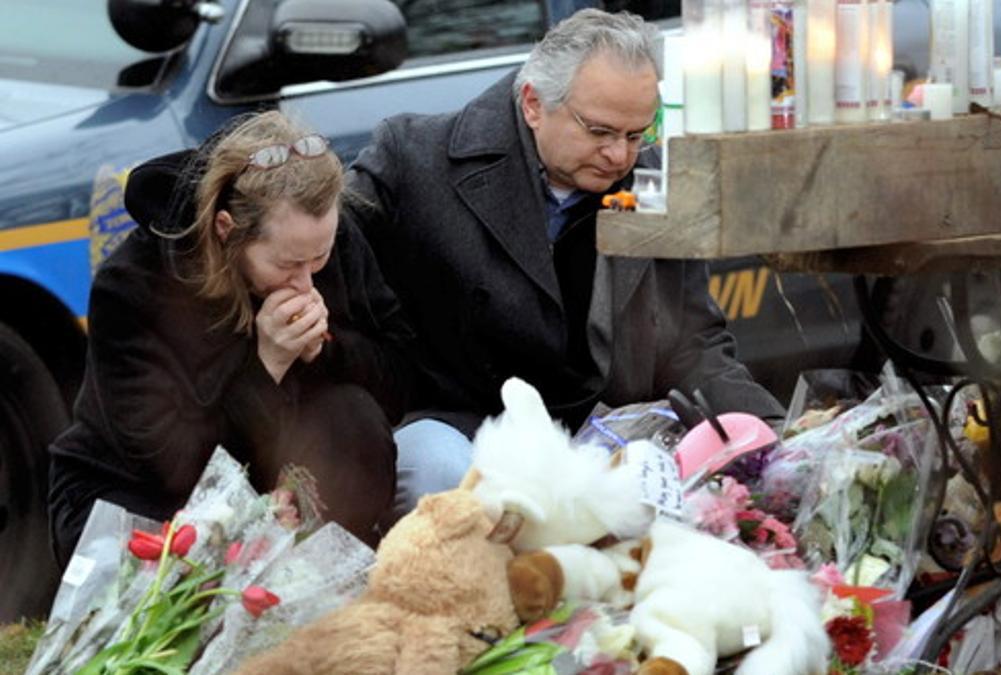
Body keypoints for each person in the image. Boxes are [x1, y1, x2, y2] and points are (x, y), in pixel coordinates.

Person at [344, 8, 785, 517]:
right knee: (447, 477)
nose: (619, 155)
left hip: (597, 431)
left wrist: (775, 440)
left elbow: (696, 346)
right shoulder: (414, 158)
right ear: (534, 103)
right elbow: (321, 259)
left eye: (637, 132)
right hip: (457, 424)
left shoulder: (652, 182)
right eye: (599, 131)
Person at [47, 111, 415, 564]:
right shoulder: (134, 284)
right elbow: (166, 463)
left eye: (318, 257)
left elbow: (401, 380)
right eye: (286, 264)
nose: (305, 283)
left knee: (353, 415)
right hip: (138, 491)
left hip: (277, 471)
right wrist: (267, 366)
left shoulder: (330, 242)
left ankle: (322, 581)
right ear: (227, 230)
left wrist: (326, 351)